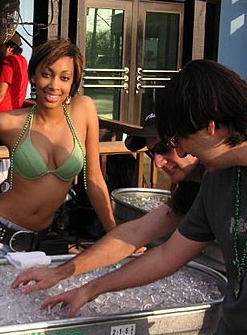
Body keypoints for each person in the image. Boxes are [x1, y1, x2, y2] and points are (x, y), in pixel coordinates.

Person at [39, 59, 247, 335]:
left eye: (178, 141)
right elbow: (164, 253)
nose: (180, 153)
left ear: (210, 127)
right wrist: (86, 287)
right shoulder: (216, 175)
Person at [12, 111, 202, 293]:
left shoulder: (222, 176)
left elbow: (166, 256)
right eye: (152, 153)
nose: (158, 163)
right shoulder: (190, 188)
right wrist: (60, 274)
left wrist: (90, 289)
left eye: (163, 148)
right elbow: (134, 233)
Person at [0, 38, 116, 259]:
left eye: (64, 78)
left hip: (38, 243)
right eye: (46, 74)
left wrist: (115, 236)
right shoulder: (10, 122)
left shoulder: (83, 110)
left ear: (73, 82)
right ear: (33, 76)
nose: (54, 85)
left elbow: (94, 180)